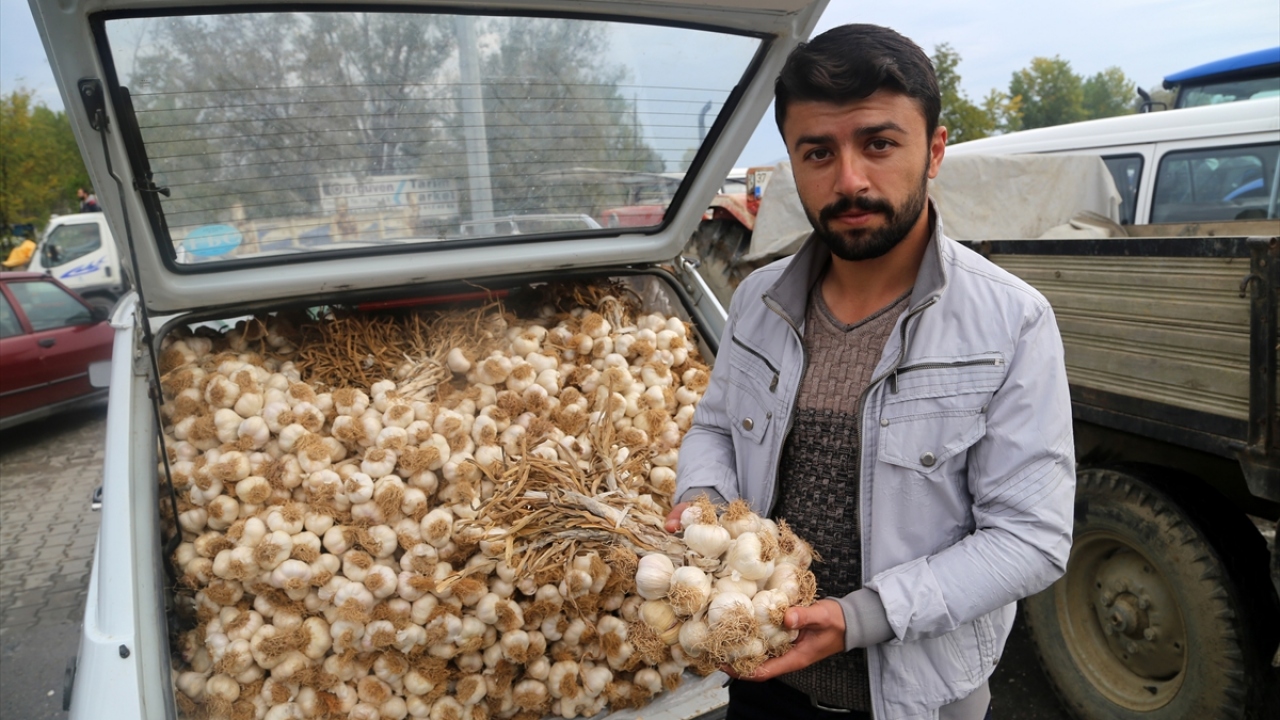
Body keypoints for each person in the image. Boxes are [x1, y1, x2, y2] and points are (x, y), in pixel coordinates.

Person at [668, 24, 1075, 720]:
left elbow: (1030, 539)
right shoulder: (757, 303)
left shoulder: (1012, 321)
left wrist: (863, 617)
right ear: (793, 163)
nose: (849, 179)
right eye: (818, 152)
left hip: (917, 699)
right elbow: (713, 426)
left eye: (879, 144)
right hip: (764, 678)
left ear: (935, 150)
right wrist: (705, 505)